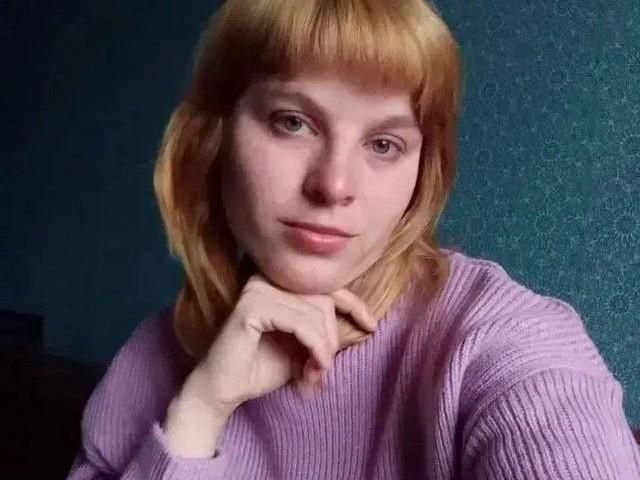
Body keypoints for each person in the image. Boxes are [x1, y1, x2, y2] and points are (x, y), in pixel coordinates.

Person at [67, 0, 640, 478]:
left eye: (384, 145)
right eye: (293, 122)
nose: (334, 185)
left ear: (423, 172)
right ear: (212, 138)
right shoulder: (154, 355)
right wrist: (200, 409)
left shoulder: (505, 342)